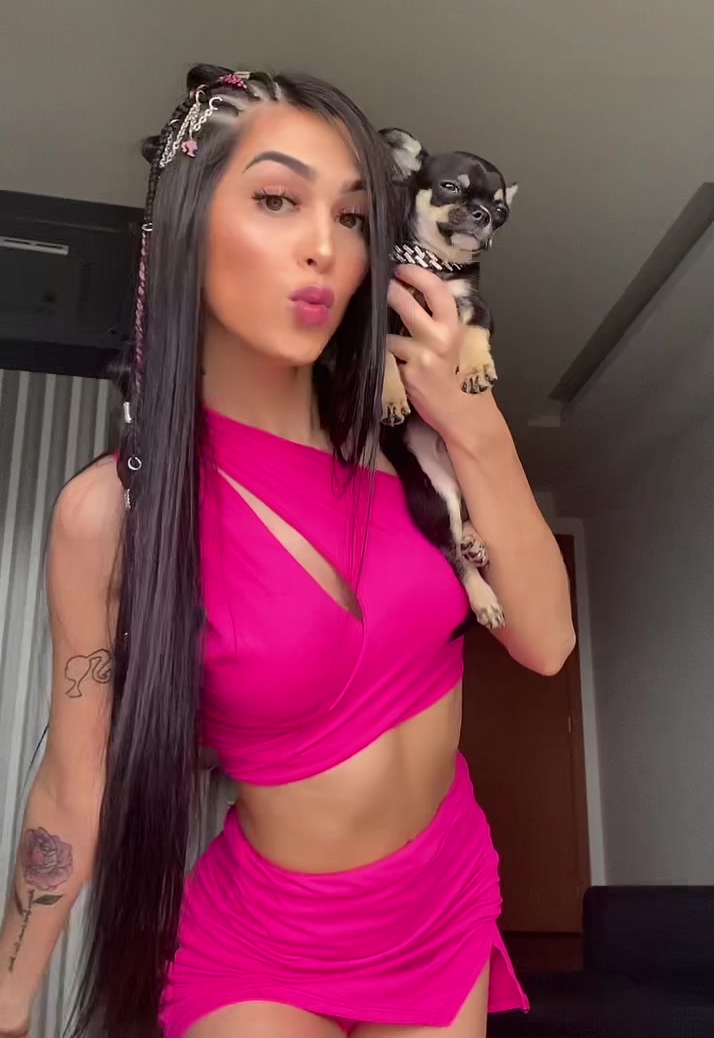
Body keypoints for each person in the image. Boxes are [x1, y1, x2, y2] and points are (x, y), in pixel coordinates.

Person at [0, 65, 574, 1038]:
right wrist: (10, 1001)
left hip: (444, 905)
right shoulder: (116, 512)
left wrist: (475, 425)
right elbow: (74, 780)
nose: (325, 245)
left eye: (352, 216)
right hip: (270, 945)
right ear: (184, 230)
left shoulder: (402, 441)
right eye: (276, 200)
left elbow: (548, 642)